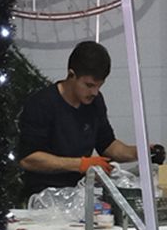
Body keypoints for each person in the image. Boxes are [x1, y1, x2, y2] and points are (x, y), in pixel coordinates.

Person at [17, 40, 144, 187]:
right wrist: (80, 164)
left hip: (80, 192)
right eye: (89, 85)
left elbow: (108, 145)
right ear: (71, 75)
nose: (95, 92)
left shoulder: (95, 102)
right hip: (44, 195)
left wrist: (140, 152)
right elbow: (28, 159)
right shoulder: (41, 103)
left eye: (99, 86)